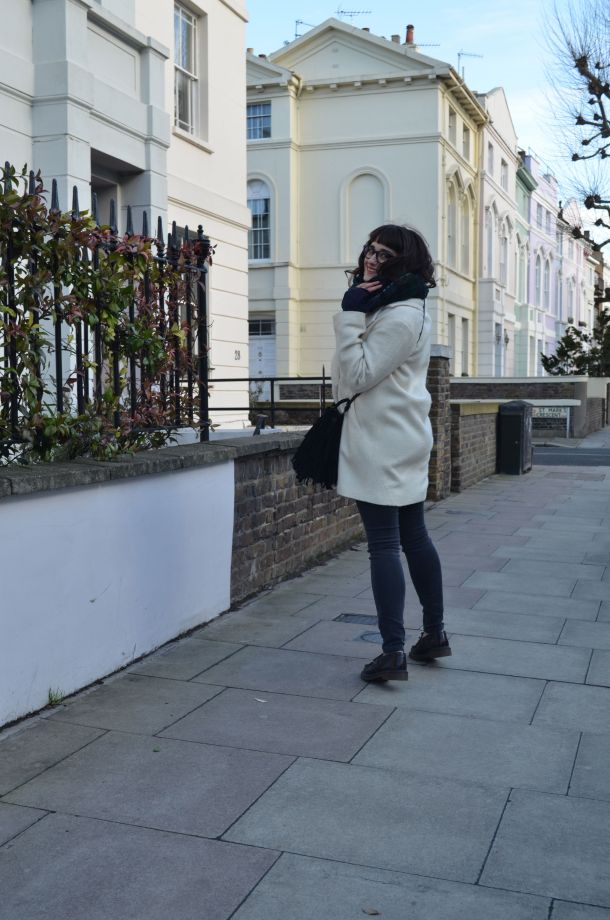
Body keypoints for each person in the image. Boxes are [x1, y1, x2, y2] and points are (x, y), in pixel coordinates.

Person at [331, 224, 451, 682]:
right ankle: (433, 635)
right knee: (413, 535)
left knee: (386, 544)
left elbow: (359, 373)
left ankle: (392, 652)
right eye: (370, 249)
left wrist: (348, 316)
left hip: (383, 441)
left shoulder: (400, 315)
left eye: (385, 255)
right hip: (399, 435)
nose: (372, 259)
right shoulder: (391, 305)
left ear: (405, 264)